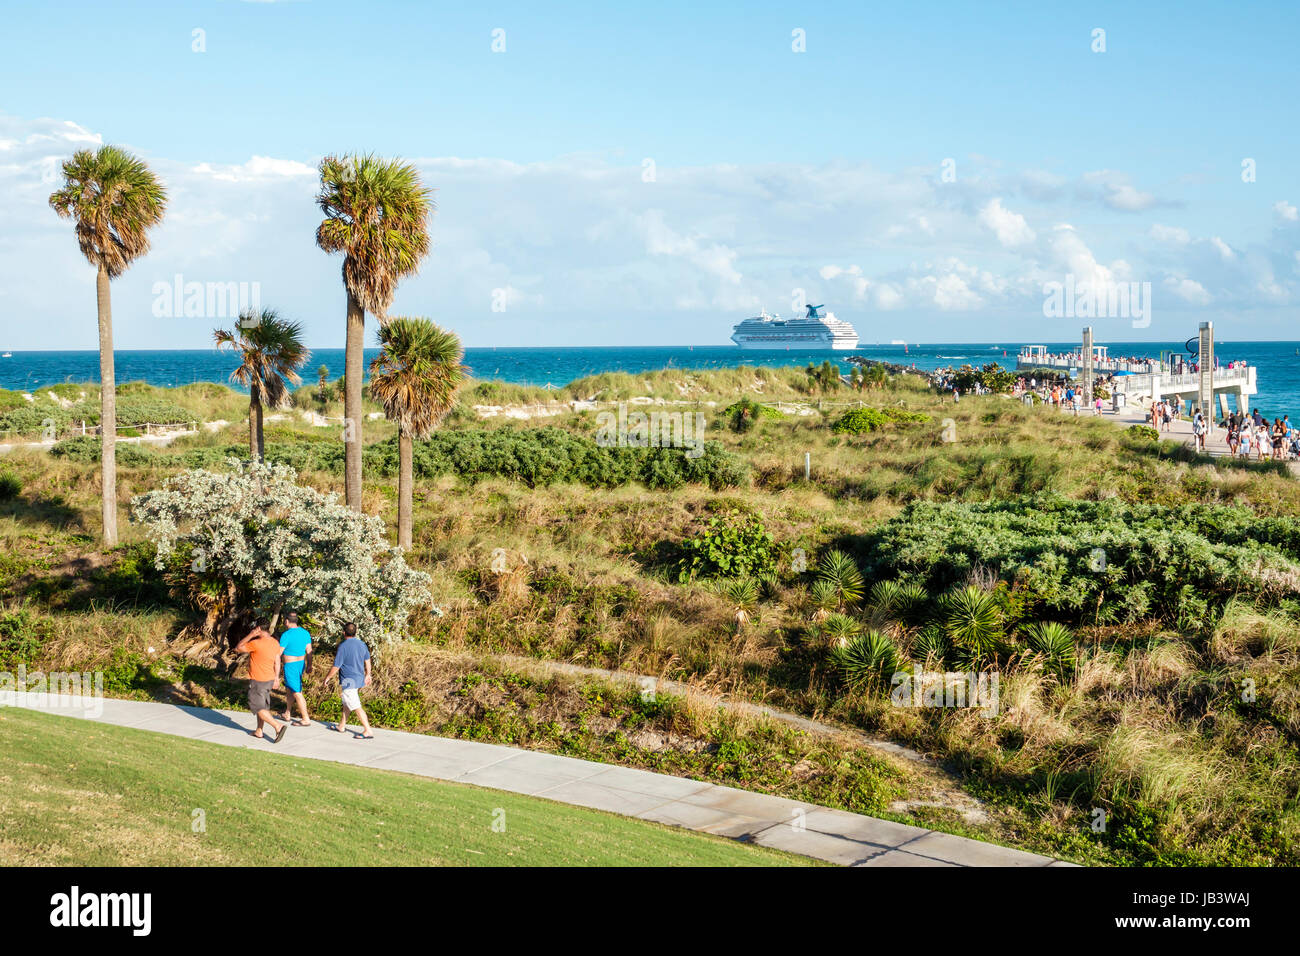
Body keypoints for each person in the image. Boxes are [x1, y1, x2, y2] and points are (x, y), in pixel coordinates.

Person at [234, 618, 287, 742]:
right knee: (263, 706)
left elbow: (238, 647)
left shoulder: (256, 643)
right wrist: (276, 678)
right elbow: (277, 661)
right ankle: (259, 730)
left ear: (257, 628)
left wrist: (251, 635)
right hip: (269, 679)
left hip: (258, 680)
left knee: (258, 707)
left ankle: (277, 726)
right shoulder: (274, 642)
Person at [327, 622, 374, 739]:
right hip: (359, 678)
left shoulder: (343, 646)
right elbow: (367, 660)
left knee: (355, 705)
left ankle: (367, 730)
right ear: (355, 632)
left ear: (344, 633)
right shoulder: (362, 644)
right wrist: (368, 674)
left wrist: (328, 677)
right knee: (346, 702)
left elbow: (336, 666)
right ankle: (341, 726)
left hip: (349, 680)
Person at [277, 611, 314, 726]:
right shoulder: (305, 633)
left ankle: (305, 718)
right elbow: (309, 651)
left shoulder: (286, 635)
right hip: (300, 665)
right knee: (289, 689)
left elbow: (278, 653)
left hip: (290, 666)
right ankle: (287, 713)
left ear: (287, 621)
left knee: (297, 692)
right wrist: (309, 665)